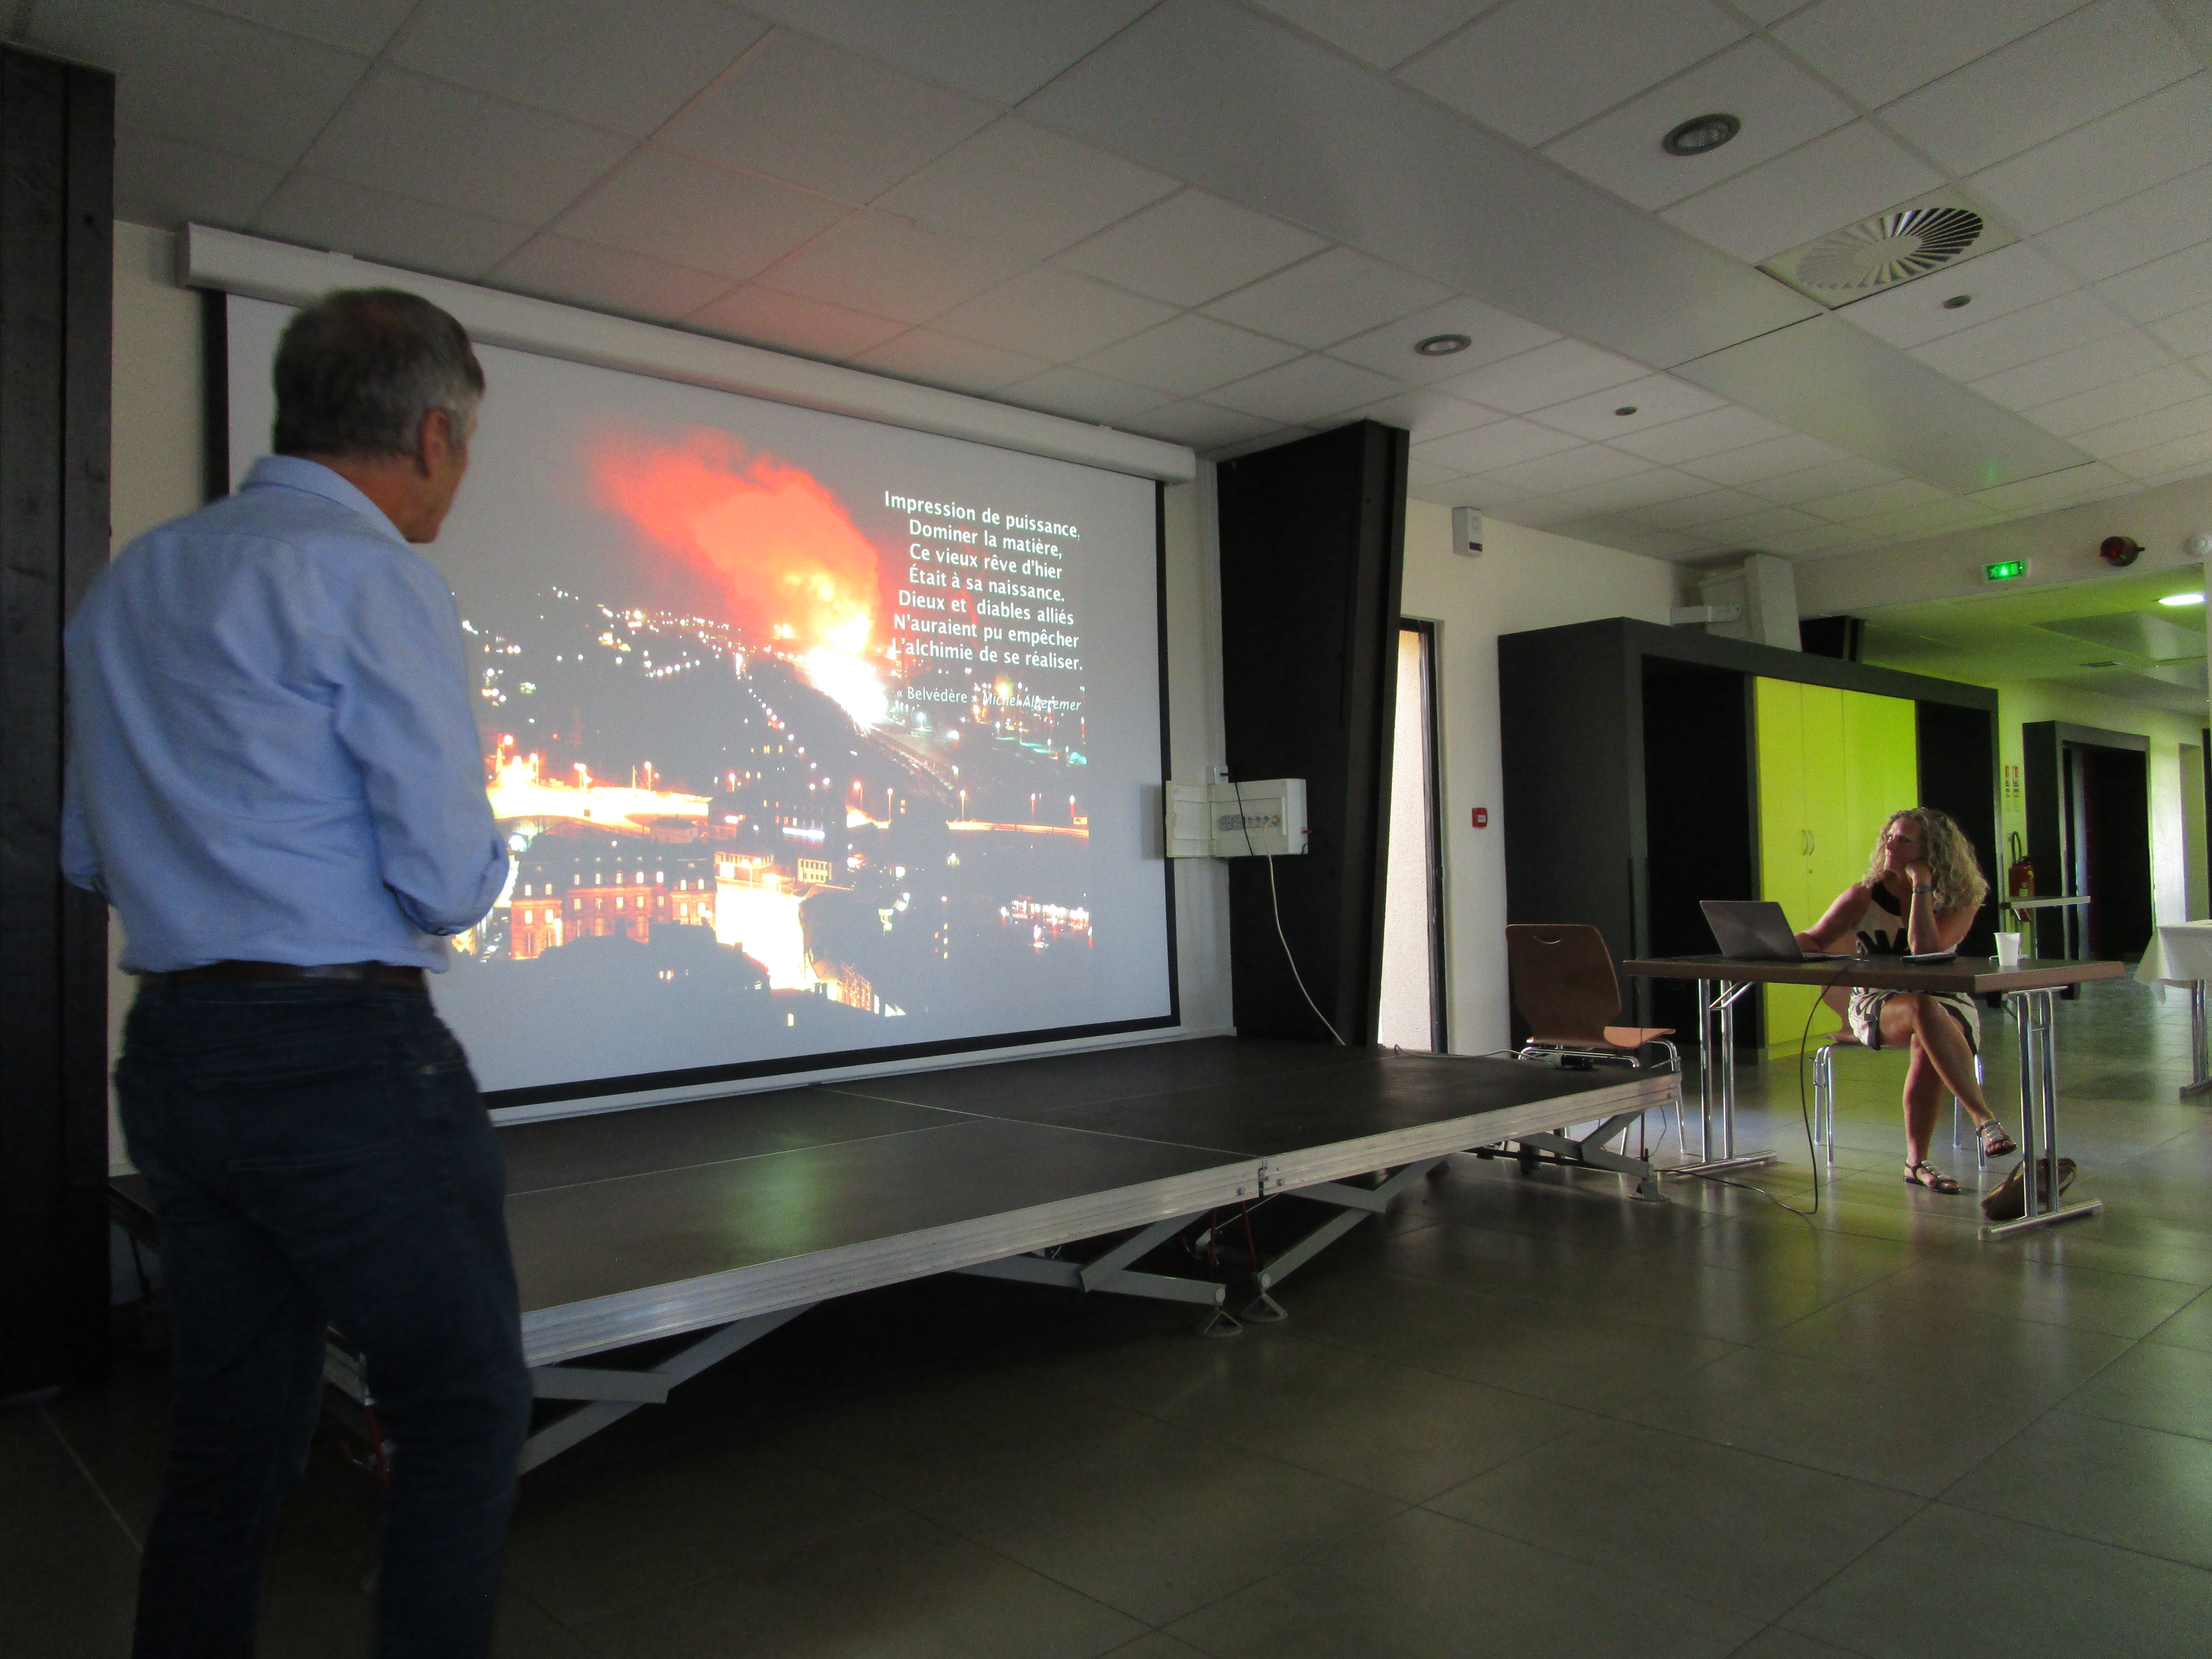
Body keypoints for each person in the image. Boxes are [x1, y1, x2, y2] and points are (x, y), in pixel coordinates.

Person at [63, 289, 530, 1657]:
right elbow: (445, 880)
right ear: (433, 434)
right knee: (461, 1406)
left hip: (177, 1056)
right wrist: (498, 864)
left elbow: (86, 849)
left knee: (231, 1432)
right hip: (343, 1062)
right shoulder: (371, 575)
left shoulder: (135, 578)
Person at [1794, 807, 2016, 1194]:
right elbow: (1815, 938)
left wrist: (1922, 887)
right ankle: (1983, 1118)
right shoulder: (1864, 895)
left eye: (1904, 840)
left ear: (1932, 852)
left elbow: (1926, 949)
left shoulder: (1962, 898)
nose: (1890, 845)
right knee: (1921, 1009)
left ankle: (1916, 1163)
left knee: (1926, 1031)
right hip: (1876, 1002)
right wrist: (1773, 943)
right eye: (1890, 836)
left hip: (1947, 998)